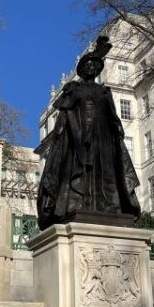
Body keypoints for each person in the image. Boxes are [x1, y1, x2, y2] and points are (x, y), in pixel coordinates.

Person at [36, 36, 140, 229]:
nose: (91, 68)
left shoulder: (104, 92)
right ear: (82, 70)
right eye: (88, 65)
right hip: (80, 136)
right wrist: (59, 132)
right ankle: (79, 205)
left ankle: (109, 207)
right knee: (80, 171)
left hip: (104, 138)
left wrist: (118, 130)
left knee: (106, 172)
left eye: (94, 65)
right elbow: (65, 113)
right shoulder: (75, 90)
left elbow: (113, 116)